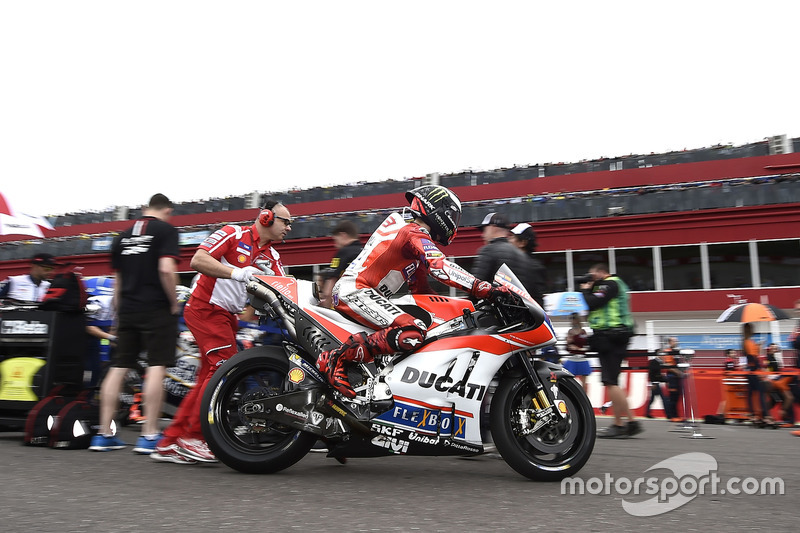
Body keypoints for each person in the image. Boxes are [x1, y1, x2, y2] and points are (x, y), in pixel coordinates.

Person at [317, 186, 511, 399]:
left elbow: (421, 291)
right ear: (439, 212)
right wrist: (484, 289)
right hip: (356, 290)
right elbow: (439, 267)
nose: (454, 222)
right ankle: (337, 359)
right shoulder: (412, 231)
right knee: (413, 331)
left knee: (426, 328)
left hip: (361, 292)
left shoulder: (410, 235)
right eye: (452, 216)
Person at [152, 199, 292, 464]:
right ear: (266, 218)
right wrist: (237, 273)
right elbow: (197, 259)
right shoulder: (232, 233)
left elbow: (284, 290)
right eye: (286, 221)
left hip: (228, 317)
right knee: (223, 372)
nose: (289, 227)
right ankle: (193, 438)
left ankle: (171, 441)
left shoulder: (272, 256)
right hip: (205, 308)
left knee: (210, 375)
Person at [89, 194, 180, 453]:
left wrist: (118, 315)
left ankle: (104, 434)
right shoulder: (166, 230)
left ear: (144, 209)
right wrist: (173, 302)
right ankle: (149, 435)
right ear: (168, 210)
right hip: (156, 308)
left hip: (127, 308)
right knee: (156, 367)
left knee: (118, 367)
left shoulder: (122, 236)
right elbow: (165, 269)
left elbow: (117, 281)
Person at [580, 263, 641, 438]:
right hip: (612, 337)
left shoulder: (610, 283)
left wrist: (585, 290)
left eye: (592, 275)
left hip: (612, 337)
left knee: (610, 381)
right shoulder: (612, 285)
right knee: (612, 381)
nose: (591, 279)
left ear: (601, 272)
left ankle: (625, 423)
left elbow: (593, 302)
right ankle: (626, 422)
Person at [472, 213, 531, 298]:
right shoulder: (521, 254)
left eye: (484, 230)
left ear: (493, 227)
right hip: (519, 309)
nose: (482, 235)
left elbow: (475, 287)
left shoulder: (488, 250)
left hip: (495, 309)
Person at [318, 220, 363, 308]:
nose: (335, 244)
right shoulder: (365, 252)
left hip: (345, 303)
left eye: (335, 239)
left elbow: (330, 284)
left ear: (343, 235)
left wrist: (325, 308)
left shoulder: (343, 252)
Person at [508, 222, 547, 307]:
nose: (509, 240)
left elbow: (535, 299)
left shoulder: (534, 267)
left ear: (523, 243)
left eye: (513, 237)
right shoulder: (513, 262)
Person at [742, 322, 771, 426]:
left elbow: (750, 355)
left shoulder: (746, 342)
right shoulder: (749, 342)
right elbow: (752, 357)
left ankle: (753, 415)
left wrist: (758, 346)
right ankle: (765, 415)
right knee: (761, 392)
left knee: (750, 393)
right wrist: (758, 369)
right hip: (754, 370)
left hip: (750, 370)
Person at [563, 312, 592, 390]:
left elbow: (587, 347)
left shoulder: (583, 331)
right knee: (570, 381)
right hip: (572, 359)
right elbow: (567, 348)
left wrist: (578, 348)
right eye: (571, 318)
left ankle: (585, 400)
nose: (572, 320)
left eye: (574, 318)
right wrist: (568, 342)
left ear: (578, 319)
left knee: (584, 382)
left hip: (582, 358)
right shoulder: (570, 332)